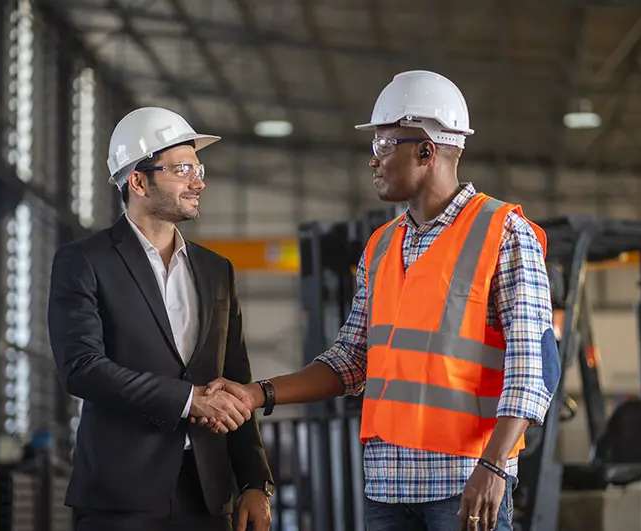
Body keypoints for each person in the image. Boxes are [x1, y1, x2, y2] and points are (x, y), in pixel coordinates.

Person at [199, 70, 561, 531]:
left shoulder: (505, 233)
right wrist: (256, 394)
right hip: (387, 488)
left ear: (426, 150)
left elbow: (533, 367)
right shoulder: (381, 245)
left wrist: (492, 468)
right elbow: (352, 360)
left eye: (383, 145)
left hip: (464, 483)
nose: (373, 161)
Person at [48, 107, 274, 531]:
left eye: (198, 167)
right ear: (137, 180)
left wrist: (255, 481)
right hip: (120, 497)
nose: (199, 181)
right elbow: (82, 369)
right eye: (183, 169)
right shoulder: (84, 262)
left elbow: (235, 378)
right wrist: (189, 400)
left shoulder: (216, 270)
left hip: (208, 496)